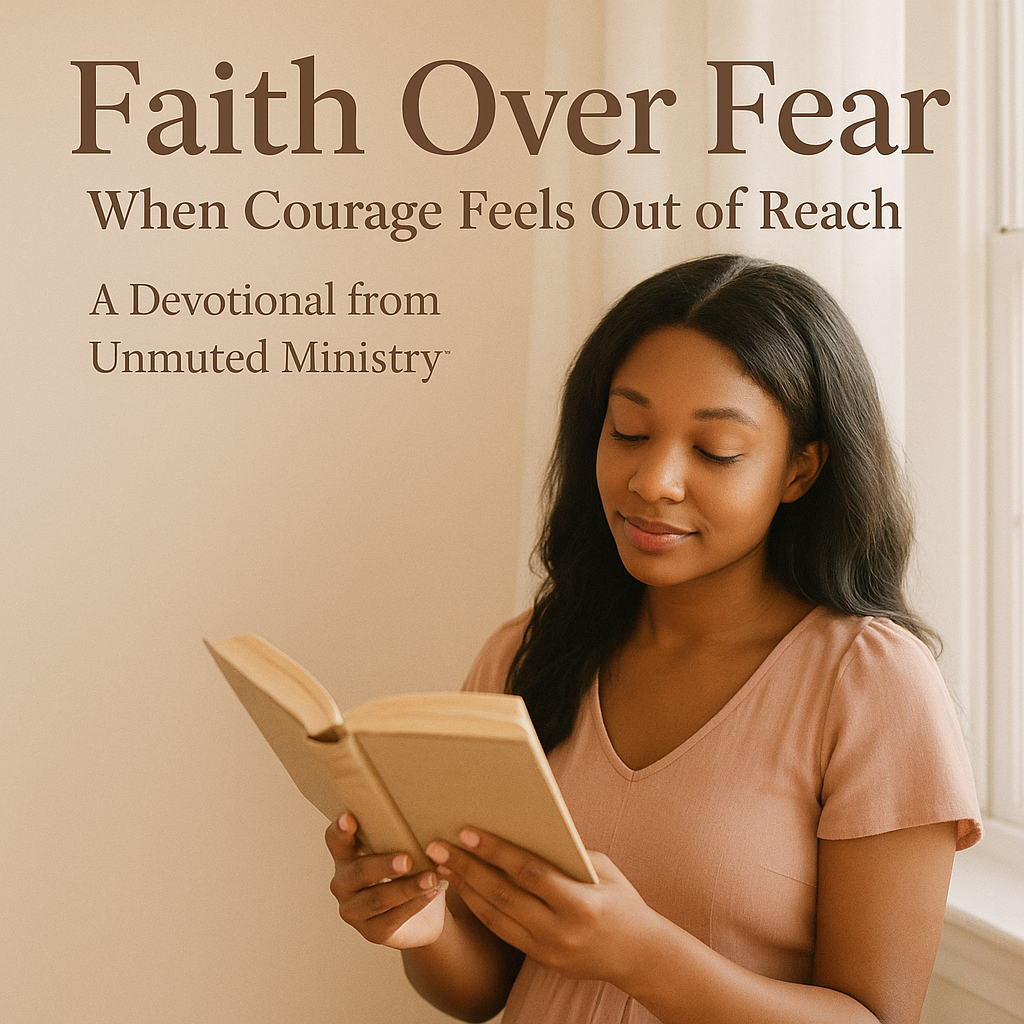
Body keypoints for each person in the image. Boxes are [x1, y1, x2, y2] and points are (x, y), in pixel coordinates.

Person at [325, 255, 982, 1024]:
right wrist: (417, 922)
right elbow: (484, 991)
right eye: (629, 432)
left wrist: (642, 956)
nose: (653, 480)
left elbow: (875, 1018)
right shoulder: (525, 655)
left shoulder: (871, 684)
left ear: (800, 471)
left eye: (716, 451)